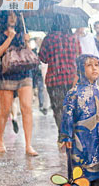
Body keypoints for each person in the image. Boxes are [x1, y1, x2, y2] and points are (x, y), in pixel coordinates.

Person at [60, 54, 99, 186]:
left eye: (97, 65)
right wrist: (66, 136)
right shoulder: (73, 93)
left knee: (97, 173)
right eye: (89, 65)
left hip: (98, 140)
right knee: (80, 175)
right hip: (80, 140)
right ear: (81, 69)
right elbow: (67, 116)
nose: (94, 68)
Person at [0, 11, 38, 156]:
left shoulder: (23, 30)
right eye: (10, 15)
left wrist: (27, 42)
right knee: (5, 110)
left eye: (15, 15)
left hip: (24, 72)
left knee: (27, 108)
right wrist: (10, 38)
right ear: (5, 17)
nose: (13, 18)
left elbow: (29, 53)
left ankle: (28, 145)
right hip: (6, 73)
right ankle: (0, 140)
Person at [39, 14, 82, 145]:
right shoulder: (74, 39)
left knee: (58, 109)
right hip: (71, 79)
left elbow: (43, 58)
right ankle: (72, 134)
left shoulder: (49, 39)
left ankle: (63, 135)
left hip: (54, 79)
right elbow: (80, 57)